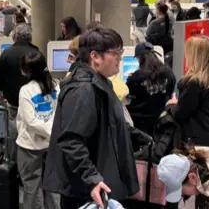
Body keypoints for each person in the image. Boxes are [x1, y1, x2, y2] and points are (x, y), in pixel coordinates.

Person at [44, 27, 140, 208]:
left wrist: (134, 134)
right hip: (87, 188)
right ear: (95, 56)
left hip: (97, 180)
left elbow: (106, 120)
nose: (120, 58)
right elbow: (71, 141)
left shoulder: (99, 81)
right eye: (116, 53)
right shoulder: (83, 89)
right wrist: (92, 178)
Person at [166, 36, 209, 147]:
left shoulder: (195, 82)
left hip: (197, 137)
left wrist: (171, 106)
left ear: (195, 56)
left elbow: (180, 115)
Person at [17, 52, 58, 209]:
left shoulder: (26, 90)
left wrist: (46, 132)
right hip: (51, 145)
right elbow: (56, 115)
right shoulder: (55, 85)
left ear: (27, 71)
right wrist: (51, 132)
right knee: (52, 187)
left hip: (29, 147)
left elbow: (30, 121)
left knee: (32, 188)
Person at [125, 42, 176, 135]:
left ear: (140, 58)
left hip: (139, 124)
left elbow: (128, 97)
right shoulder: (169, 73)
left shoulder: (136, 76)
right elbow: (170, 91)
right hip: (161, 121)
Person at [0, 24, 44, 124]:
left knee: (14, 127)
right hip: (33, 100)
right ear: (30, 37)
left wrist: (4, 93)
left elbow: (0, 78)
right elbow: (42, 77)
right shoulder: (36, 53)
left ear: (15, 37)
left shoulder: (5, 53)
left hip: (13, 99)